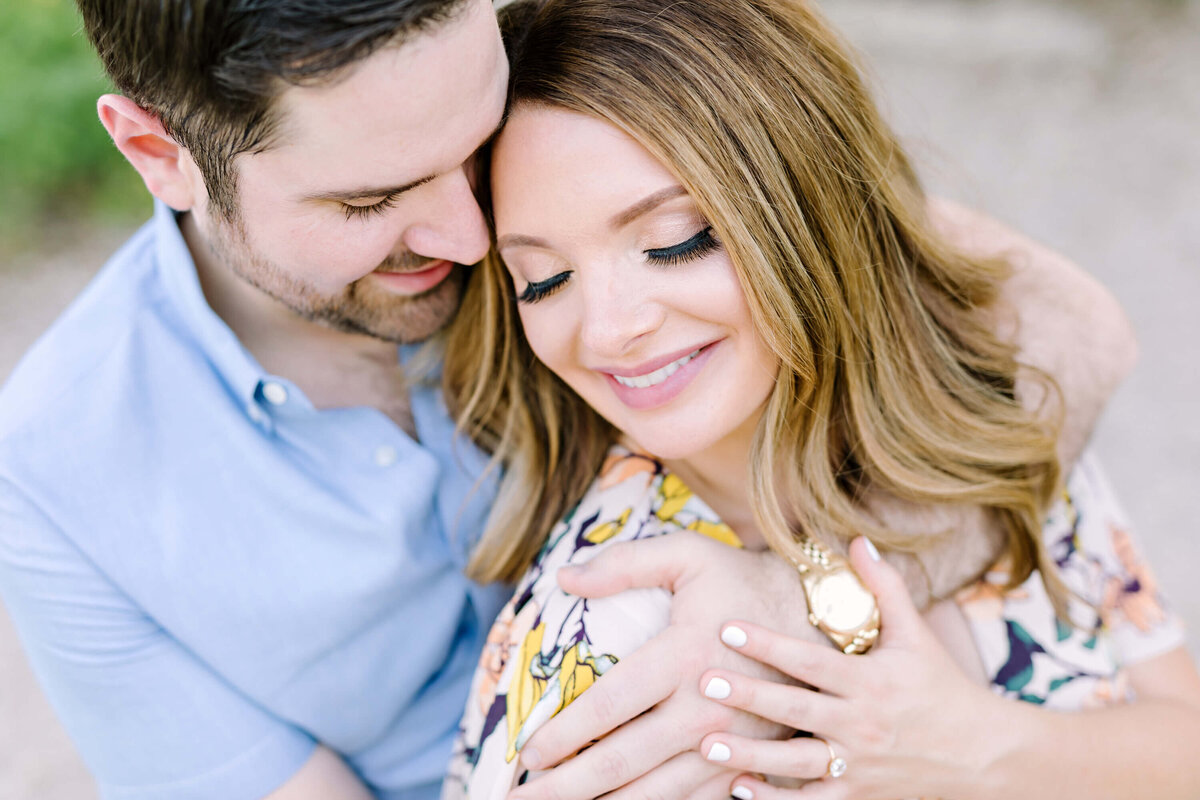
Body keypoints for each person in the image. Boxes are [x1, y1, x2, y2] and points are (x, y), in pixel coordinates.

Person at [0, 1, 1145, 798]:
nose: (471, 234)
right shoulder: (60, 478)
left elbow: (1053, 322)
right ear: (158, 152)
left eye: (476, 145)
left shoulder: (577, 181)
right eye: (371, 201)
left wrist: (814, 604)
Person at [441, 0, 1200, 797]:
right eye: (543, 280)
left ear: (804, 212)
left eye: (674, 240)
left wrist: (985, 750)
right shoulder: (616, 627)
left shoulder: (982, 412)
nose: (605, 331)